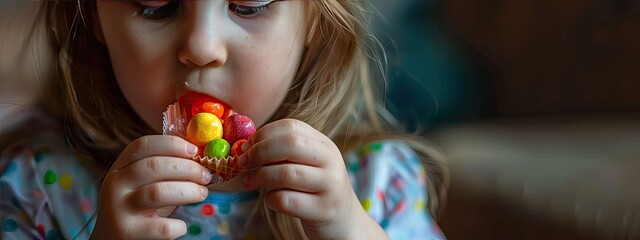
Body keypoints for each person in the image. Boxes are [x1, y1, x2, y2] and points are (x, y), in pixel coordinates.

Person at [0, 1, 448, 239]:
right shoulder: (36, 187)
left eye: (248, 5)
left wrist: (351, 231)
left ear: (315, 17)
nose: (201, 45)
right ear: (93, 14)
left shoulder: (376, 184)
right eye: (156, 5)